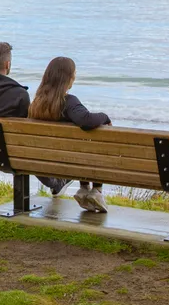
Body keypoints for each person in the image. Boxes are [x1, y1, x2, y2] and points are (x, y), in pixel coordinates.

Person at [0, 42, 69, 196]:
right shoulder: (19, 94)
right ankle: (55, 183)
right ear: (7, 64)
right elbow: (27, 132)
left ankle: (55, 184)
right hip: (17, 155)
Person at [28, 56, 111, 213]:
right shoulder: (68, 102)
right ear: (67, 78)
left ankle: (84, 188)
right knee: (95, 141)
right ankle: (96, 190)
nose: (75, 77)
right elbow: (86, 120)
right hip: (69, 162)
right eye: (74, 73)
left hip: (44, 160)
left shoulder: (36, 103)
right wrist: (105, 117)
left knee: (81, 144)